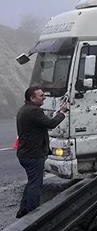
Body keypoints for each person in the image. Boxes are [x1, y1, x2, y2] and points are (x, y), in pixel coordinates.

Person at [16, 86, 69, 218]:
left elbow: (42, 123)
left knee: (32, 181)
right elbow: (50, 124)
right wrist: (62, 112)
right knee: (36, 184)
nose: (44, 97)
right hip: (33, 154)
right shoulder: (34, 111)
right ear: (32, 98)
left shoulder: (25, 109)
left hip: (25, 153)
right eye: (41, 95)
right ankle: (33, 215)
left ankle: (23, 210)